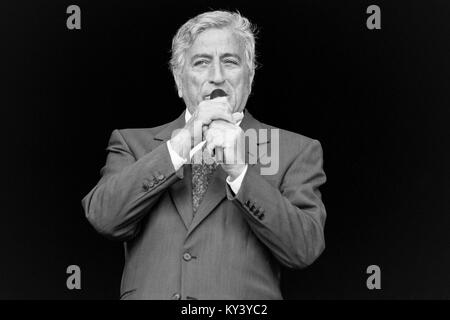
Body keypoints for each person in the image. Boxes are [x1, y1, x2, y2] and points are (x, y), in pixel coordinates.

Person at [82, 10, 327, 300]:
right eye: (201, 62)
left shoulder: (294, 150)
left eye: (230, 61)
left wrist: (240, 172)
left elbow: (304, 249)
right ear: (179, 78)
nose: (217, 76)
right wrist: (180, 145)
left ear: (249, 77)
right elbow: (105, 218)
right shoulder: (132, 143)